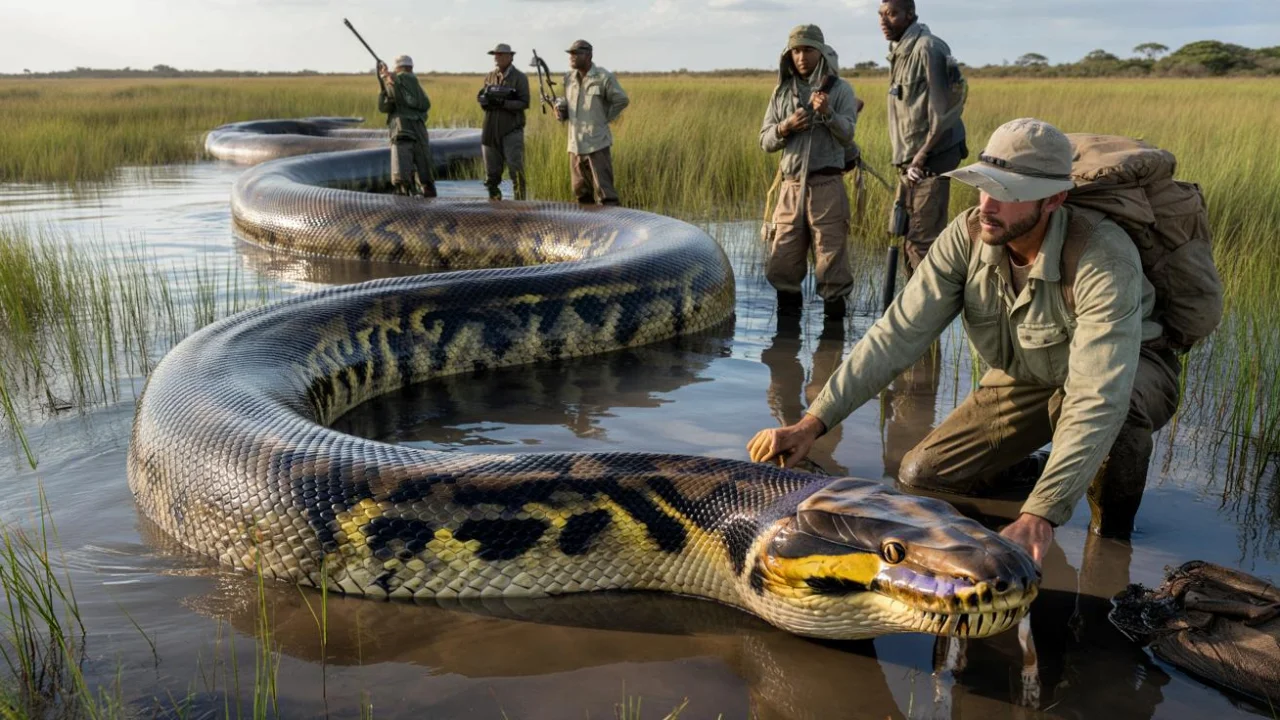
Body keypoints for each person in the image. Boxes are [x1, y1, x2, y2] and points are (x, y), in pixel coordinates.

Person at [747, 118, 1182, 562]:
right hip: (1031, 374)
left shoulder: (1102, 257)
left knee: (1114, 415)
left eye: (1008, 192)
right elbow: (896, 335)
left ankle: (1110, 544)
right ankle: (1045, 477)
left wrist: (1043, 515)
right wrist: (812, 423)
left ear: (1053, 199)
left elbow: (1097, 395)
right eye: (982, 185)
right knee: (924, 475)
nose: (988, 204)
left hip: (1131, 373)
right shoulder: (969, 234)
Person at [759, 24, 859, 319]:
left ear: (821, 52)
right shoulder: (781, 93)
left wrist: (828, 113)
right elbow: (764, 141)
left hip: (826, 186)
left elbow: (848, 134)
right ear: (788, 54)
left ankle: (832, 345)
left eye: (808, 50)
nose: (801, 56)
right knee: (783, 264)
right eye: (796, 50)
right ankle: (784, 348)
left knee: (832, 266)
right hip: (790, 189)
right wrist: (785, 127)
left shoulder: (840, 90)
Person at [880, 0, 967, 275]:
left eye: (892, 14)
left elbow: (946, 108)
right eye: (881, 14)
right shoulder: (899, 52)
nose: (884, 20)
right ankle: (912, 309)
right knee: (906, 234)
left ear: (910, 15)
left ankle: (928, 312)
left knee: (922, 241)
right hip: (912, 161)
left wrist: (922, 154)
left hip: (932, 158)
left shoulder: (929, 47)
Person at [556, 39, 629, 206]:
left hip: (597, 144)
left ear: (588, 55)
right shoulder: (568, 79)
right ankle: (589, 231)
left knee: (606, 194)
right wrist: (560, 111)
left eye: (576, 53)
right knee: (580, 193)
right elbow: (568, 106)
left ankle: (612, 228)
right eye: (570, 54)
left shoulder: (603, 77)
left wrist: (604, 118)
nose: (572, 57)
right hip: (575, 146)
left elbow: (621, 99)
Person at [477, 43, 531, 200]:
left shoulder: (520, 78)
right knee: (491, 173)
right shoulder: (489, 77)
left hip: (511, 129)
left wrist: (503, 103)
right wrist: (484, 101)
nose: (496, 57)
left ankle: (520, 206)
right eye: (495, 54)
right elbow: (484, 101)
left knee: (516, 170)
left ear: (510, 57)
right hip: (491, 129)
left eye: (500, 54)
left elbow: (524, 103)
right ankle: (495, 204)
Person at [378, 54, 436, 198]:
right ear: (411, 67)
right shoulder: (413, 83)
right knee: (425, 172)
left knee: (402, 178)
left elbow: (383, 107)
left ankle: (405, 206)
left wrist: (387, 78)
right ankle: (429, 199)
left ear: (397, 68)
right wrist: (387, 80)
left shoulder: (401, 79)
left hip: (401, 130)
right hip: (418, 130)